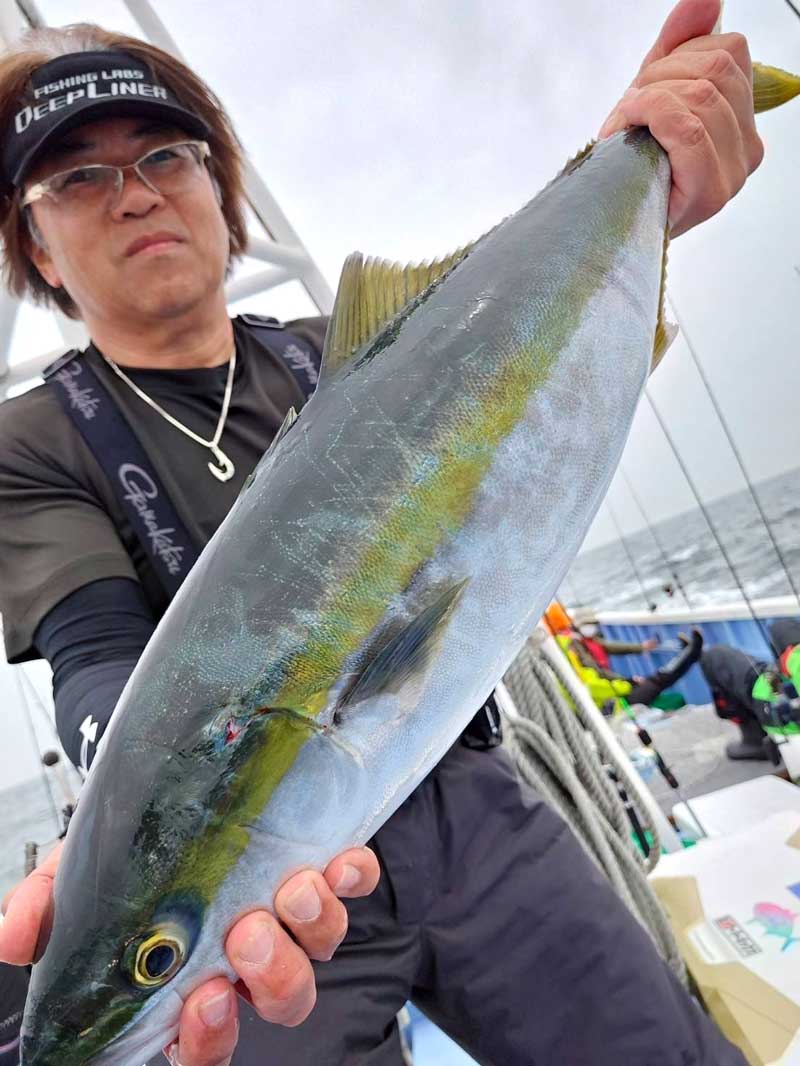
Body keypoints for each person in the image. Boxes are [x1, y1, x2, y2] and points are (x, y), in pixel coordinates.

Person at [0, 2, 765, 1063]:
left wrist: (637, 185)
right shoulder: (31, 443)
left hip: (467, 800)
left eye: (165, 154)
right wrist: (126, 841)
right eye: (77, 177)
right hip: (289, 913)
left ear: (223, 195)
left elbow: (548, 393)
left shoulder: (361, 349)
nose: (132, 194)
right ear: (33, 243)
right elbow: (95, 660)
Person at [546, 602, 703, 710]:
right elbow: (592, 685)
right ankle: (692, 653)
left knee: (660, 680)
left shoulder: (578, 645)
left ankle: (690, 654)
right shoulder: (570, 650)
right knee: (658, 680)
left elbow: (607, 653)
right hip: (614, 705)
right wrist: (627, 684)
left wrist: (640, 649)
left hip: (614, 696)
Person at [700, 619, 800, 761]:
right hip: (780, 686)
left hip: (778, 708)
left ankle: (754, 742)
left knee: (716, 656)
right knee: (782, 628)